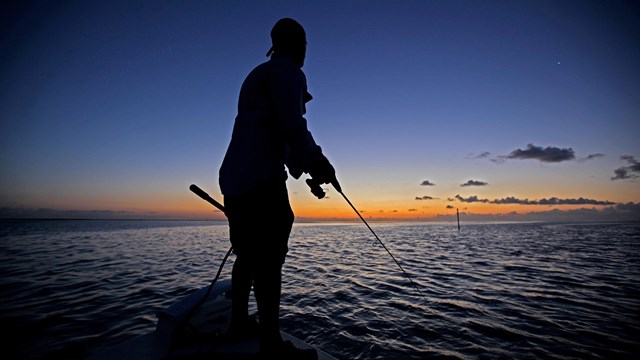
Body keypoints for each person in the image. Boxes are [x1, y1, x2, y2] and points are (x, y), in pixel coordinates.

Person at [219, 18, 340, 359]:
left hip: (235, 179)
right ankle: (271, 346)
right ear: (298, 44)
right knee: (269, 260)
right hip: (260, 179)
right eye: (304, 44)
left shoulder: (259, 75)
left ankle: (239, 324)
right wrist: (320, 163)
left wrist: (305, 171)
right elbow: (292, 125)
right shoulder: (288, 73)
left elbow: (277, 135)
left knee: (246, 254)